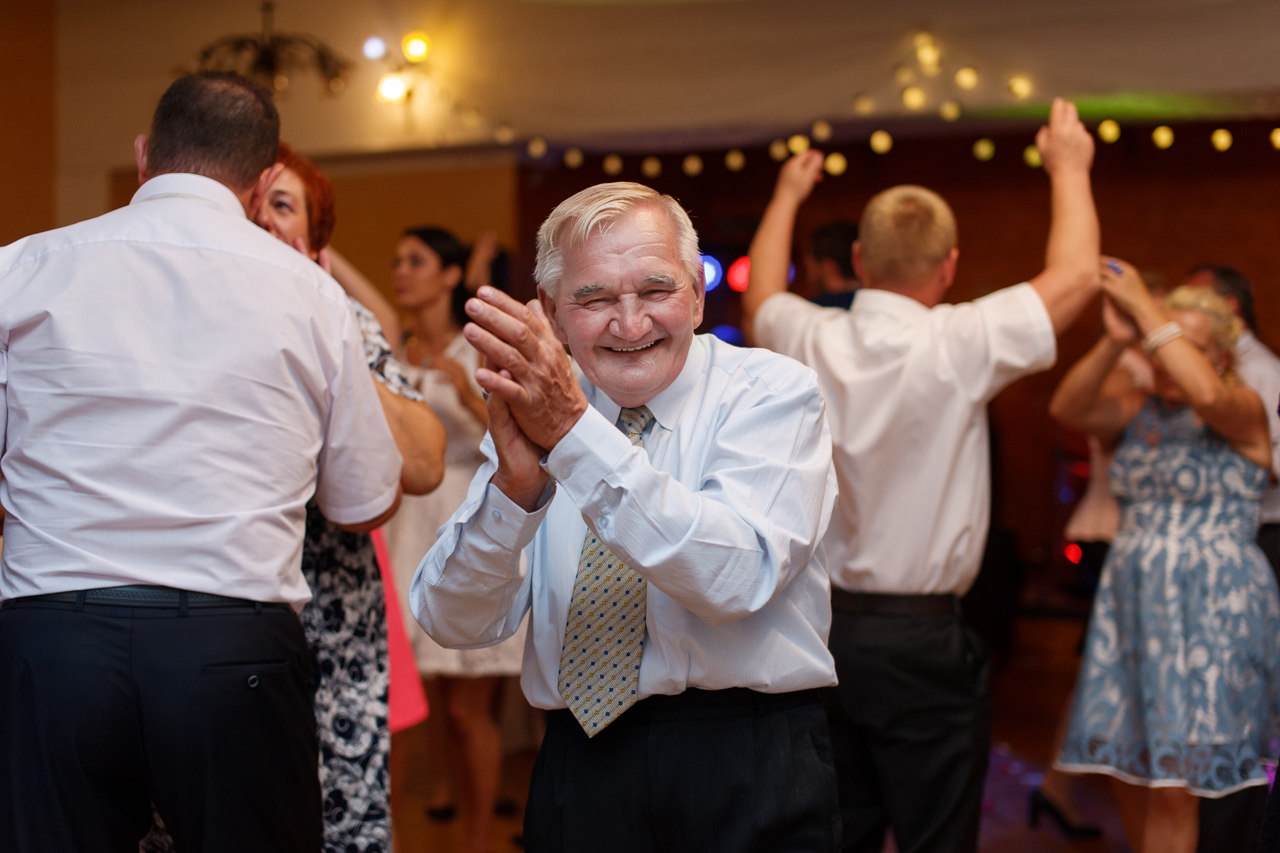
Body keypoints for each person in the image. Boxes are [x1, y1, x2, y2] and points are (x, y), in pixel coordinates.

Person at [0, 72, 404, 851]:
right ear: (258, 188)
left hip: (53, 641)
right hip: (232, 645)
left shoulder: (22, 266)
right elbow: (363, 499)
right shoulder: (312, 295)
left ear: (146, 154)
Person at [411, 182, 841, 852]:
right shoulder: (541, 410)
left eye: (655, 290)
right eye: (596, 299)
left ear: (697, 293)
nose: (631, 323)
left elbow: (734, 575)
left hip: (744, 757)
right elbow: (452, 619)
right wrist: (514, 494)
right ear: (552, 313)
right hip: (579, 769)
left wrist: (576, 437)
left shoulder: (773, 394)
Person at [744, 97, 1101, 853]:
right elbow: (1074, 277)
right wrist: (1069, 167)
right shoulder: (960, 339)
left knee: (840, 828)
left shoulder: (813, 334)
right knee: (937, 835)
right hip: (922, 638)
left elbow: (761, 299)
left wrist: (785, 195)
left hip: (821, 625)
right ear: (950, 268)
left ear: (863, 264)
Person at [1050, 271, 1280, 853]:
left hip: (1214, 607)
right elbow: (1068, 406)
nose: (1165, 361)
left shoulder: (1242, 407)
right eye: (1160, 348)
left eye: (1184, 347)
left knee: (1180, 781)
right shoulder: (1136, 409)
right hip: (1134, 604)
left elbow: (1205, 394)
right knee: (1140, 770)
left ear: (1221, 357)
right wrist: (1115, 340)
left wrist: (1149, 314)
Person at [382, 225, 528, 853]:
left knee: (470, 707)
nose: (399, 271)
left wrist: (466, 390)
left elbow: (513, 444)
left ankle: (477, 840)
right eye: (395, 259)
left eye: (414, 260)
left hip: (468, 516)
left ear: (448, 277)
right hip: (406, 525)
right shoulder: (393, 351)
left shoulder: (479, 353)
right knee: (408, 702)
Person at [807, 221, 861, 309]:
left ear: (828, 267)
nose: (809, 278)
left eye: (808, 267)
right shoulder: (879, 303)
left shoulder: (812, 310)